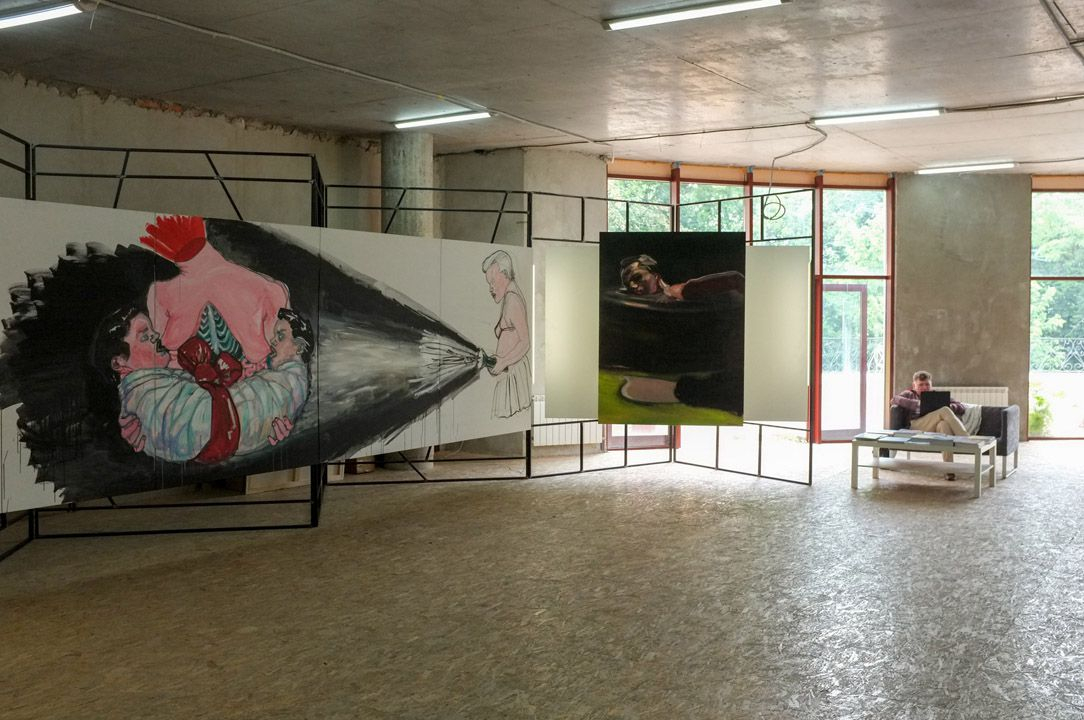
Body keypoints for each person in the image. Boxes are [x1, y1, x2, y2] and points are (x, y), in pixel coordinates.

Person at [95, 306, 311, 463]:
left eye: (152, 330)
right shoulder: (144, 397)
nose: (156, 335)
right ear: (118, 362)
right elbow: (199, 422)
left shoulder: (163, 379)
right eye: (145, 336)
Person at [140, 214, 290, 374]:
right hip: (253, 375)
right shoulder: (268, 288)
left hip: (185, 377)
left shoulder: (160, 293)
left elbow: (157, 347)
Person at [481, 250, 531, 418]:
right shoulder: (510, 297)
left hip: (513, 375)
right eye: (489, 283)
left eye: (493, 281)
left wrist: (503, 362)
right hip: (510, 373)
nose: (491, 288)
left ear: (504, 274)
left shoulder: (512, 300)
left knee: (505, 418)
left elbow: (525, 342)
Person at [892, 370, 967, 471]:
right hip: (915, 426)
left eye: (927, 384)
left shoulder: (936, 396)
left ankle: (949, 469)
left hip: (933, 427)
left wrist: (948, 406)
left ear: (931, 385)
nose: (924, 387)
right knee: (944, 410)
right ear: (914, 385)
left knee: (943, 425)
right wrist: (917, 404)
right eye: (921, 385)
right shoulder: (909, 394)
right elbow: (894, 399)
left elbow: (961, 407)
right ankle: (966, 439)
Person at [619, 254, 744, 302]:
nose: (633, 286)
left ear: (655, 275)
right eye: (629, 285)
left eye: (637, 277)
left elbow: (735, 278)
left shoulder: (676, 290)